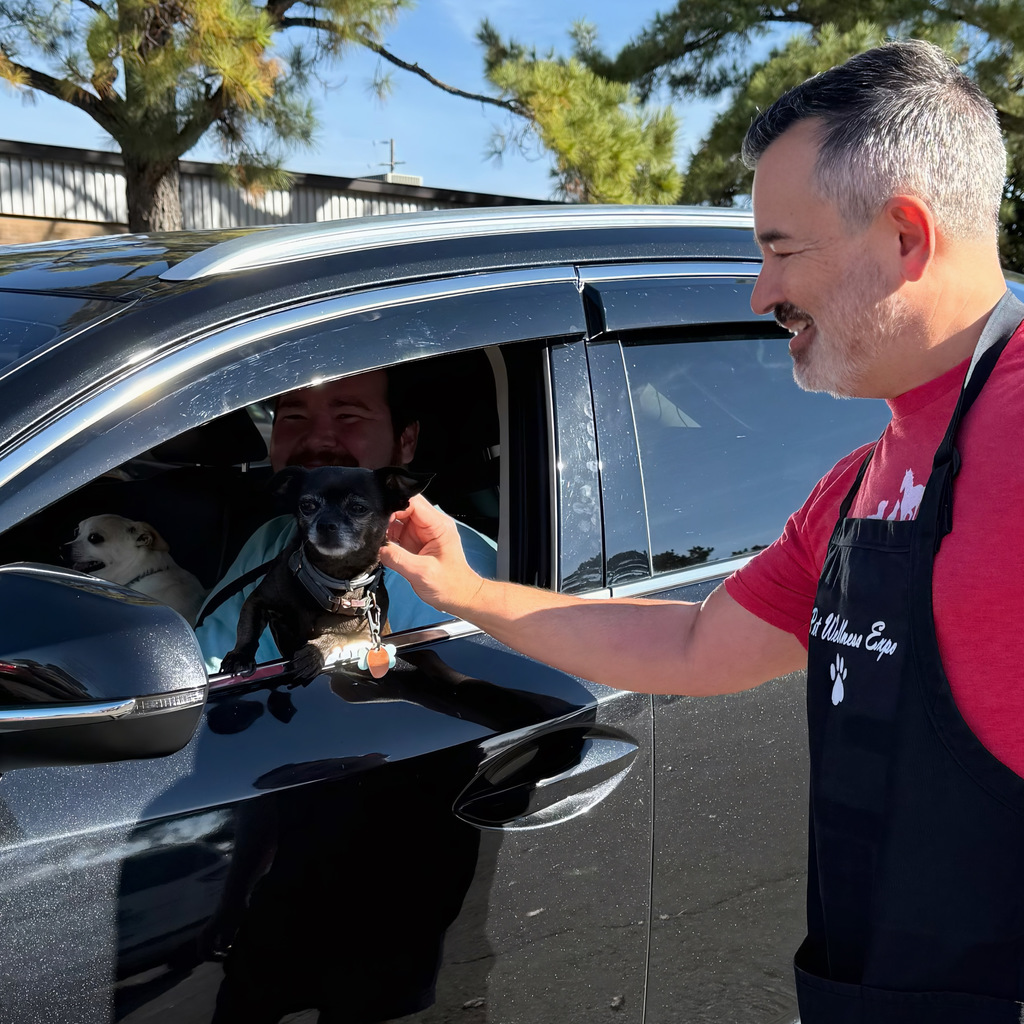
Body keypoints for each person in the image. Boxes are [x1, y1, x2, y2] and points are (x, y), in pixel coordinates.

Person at [380, 40, 1024, 1023]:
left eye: (779, 249)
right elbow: (692, 643)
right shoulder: (863, 480)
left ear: (904, 236)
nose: (760, 294)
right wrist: (471, 593)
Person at [196, 367, 497, 672]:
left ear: (406, 440)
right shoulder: (272, 535)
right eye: (294, 417)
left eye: (348, 416)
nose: (317, 439)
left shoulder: (452, 575)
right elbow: (208, 655)